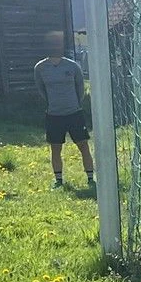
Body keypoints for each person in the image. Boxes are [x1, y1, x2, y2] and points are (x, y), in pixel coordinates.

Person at [34, 31, 95, 189]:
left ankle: (90, 178)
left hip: (74, 113)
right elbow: (41, 89)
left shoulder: (72, 66)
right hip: (54, 115)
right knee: (55, 148)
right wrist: (52, 103)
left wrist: (74, 103)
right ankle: (59, 180)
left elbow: (80, 88)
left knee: (83, 146)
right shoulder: (40, 68)